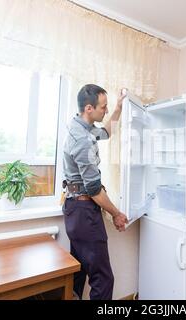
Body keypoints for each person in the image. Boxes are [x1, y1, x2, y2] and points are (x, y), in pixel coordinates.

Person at [62, 84, 128, 300]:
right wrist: (116, 214)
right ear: (89, 108)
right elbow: (94, 190)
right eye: (103, 107)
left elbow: (107, 132)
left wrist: (118, 107)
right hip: (84, 210)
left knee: (79, 271)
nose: (106, 111)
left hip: (75, 209)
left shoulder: (81, 125)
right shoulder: (82, 140)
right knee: (103, 279)